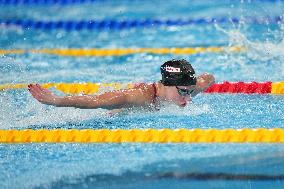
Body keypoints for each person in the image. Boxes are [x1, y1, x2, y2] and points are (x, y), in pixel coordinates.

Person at [28, 59, 215, 110]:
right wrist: (56, 100)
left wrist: (195, 82)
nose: (188, 98)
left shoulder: (188, 88)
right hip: (113, 115)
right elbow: (96, 101)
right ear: (166, 85)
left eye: (189, 91)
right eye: (183, 92)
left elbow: (209, 78)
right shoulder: (140, 96)